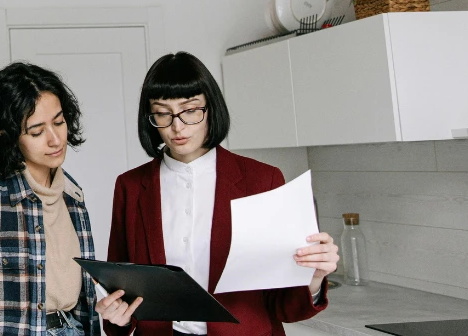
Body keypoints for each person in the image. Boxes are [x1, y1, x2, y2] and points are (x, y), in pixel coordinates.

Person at [97, 52, 338, 336]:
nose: (177, 126)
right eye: (163, 112)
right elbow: (123, 292)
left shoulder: (262, 180)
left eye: (190, 110)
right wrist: (118, 317)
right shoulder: (131, 187)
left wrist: (314, 277)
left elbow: (281, 305)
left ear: (211, 108)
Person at [0, 62, 105, 336]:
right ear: (7, 136)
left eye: (59, 122)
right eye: (37, 131)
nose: (55, 139)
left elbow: (85, 306)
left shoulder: (73, 199)